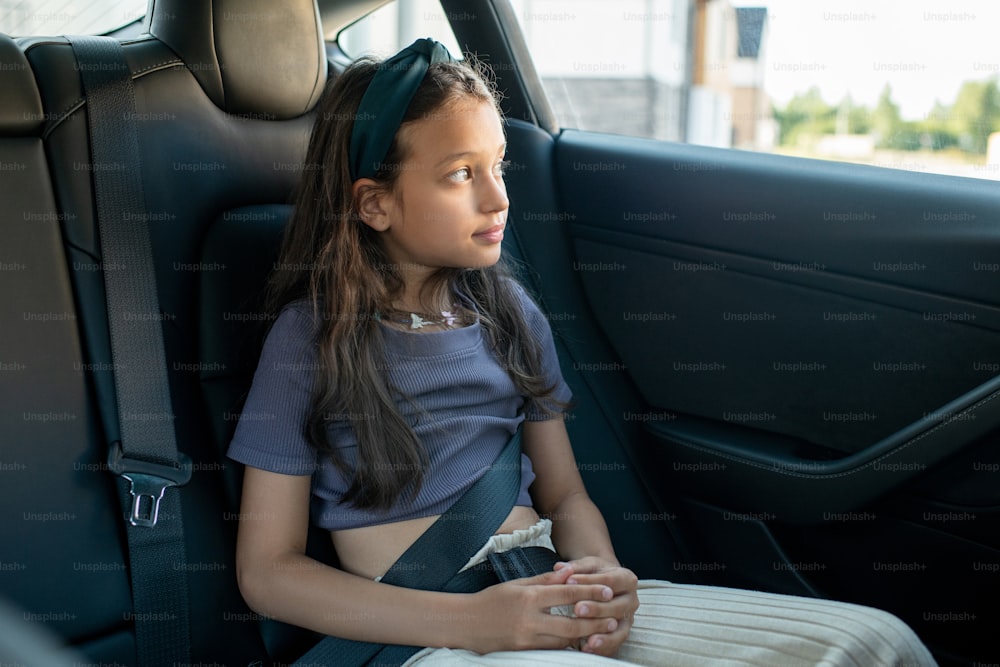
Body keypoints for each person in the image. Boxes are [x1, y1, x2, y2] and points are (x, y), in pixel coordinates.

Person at [228, 39, 937, 666]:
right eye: (459, 174)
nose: (497, 196)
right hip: (428, 629)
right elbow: (268, 571)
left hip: (550, 594)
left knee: (876, 643)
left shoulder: (509, 313)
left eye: (497, 165)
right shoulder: (312, 341)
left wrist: (599, 572)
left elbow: (564, 495)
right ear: (374, 203)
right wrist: (475, 621)